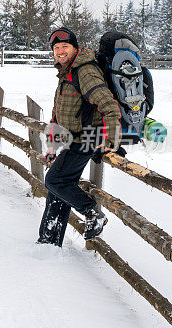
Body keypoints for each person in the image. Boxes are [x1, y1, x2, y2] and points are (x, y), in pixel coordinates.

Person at [37, 27, 122, 246]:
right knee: (59, 189)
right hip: (73, 139)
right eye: (56, 48)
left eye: (65, 46)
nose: (60, 51)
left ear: (75, 47)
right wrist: (51, 147)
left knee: (54, 180)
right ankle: (48, 242)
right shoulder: (66, 71)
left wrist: (110, 140)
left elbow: (108, 105)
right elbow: (59, 114)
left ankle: (93, 213)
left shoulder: (84, 71)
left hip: (88, 138)